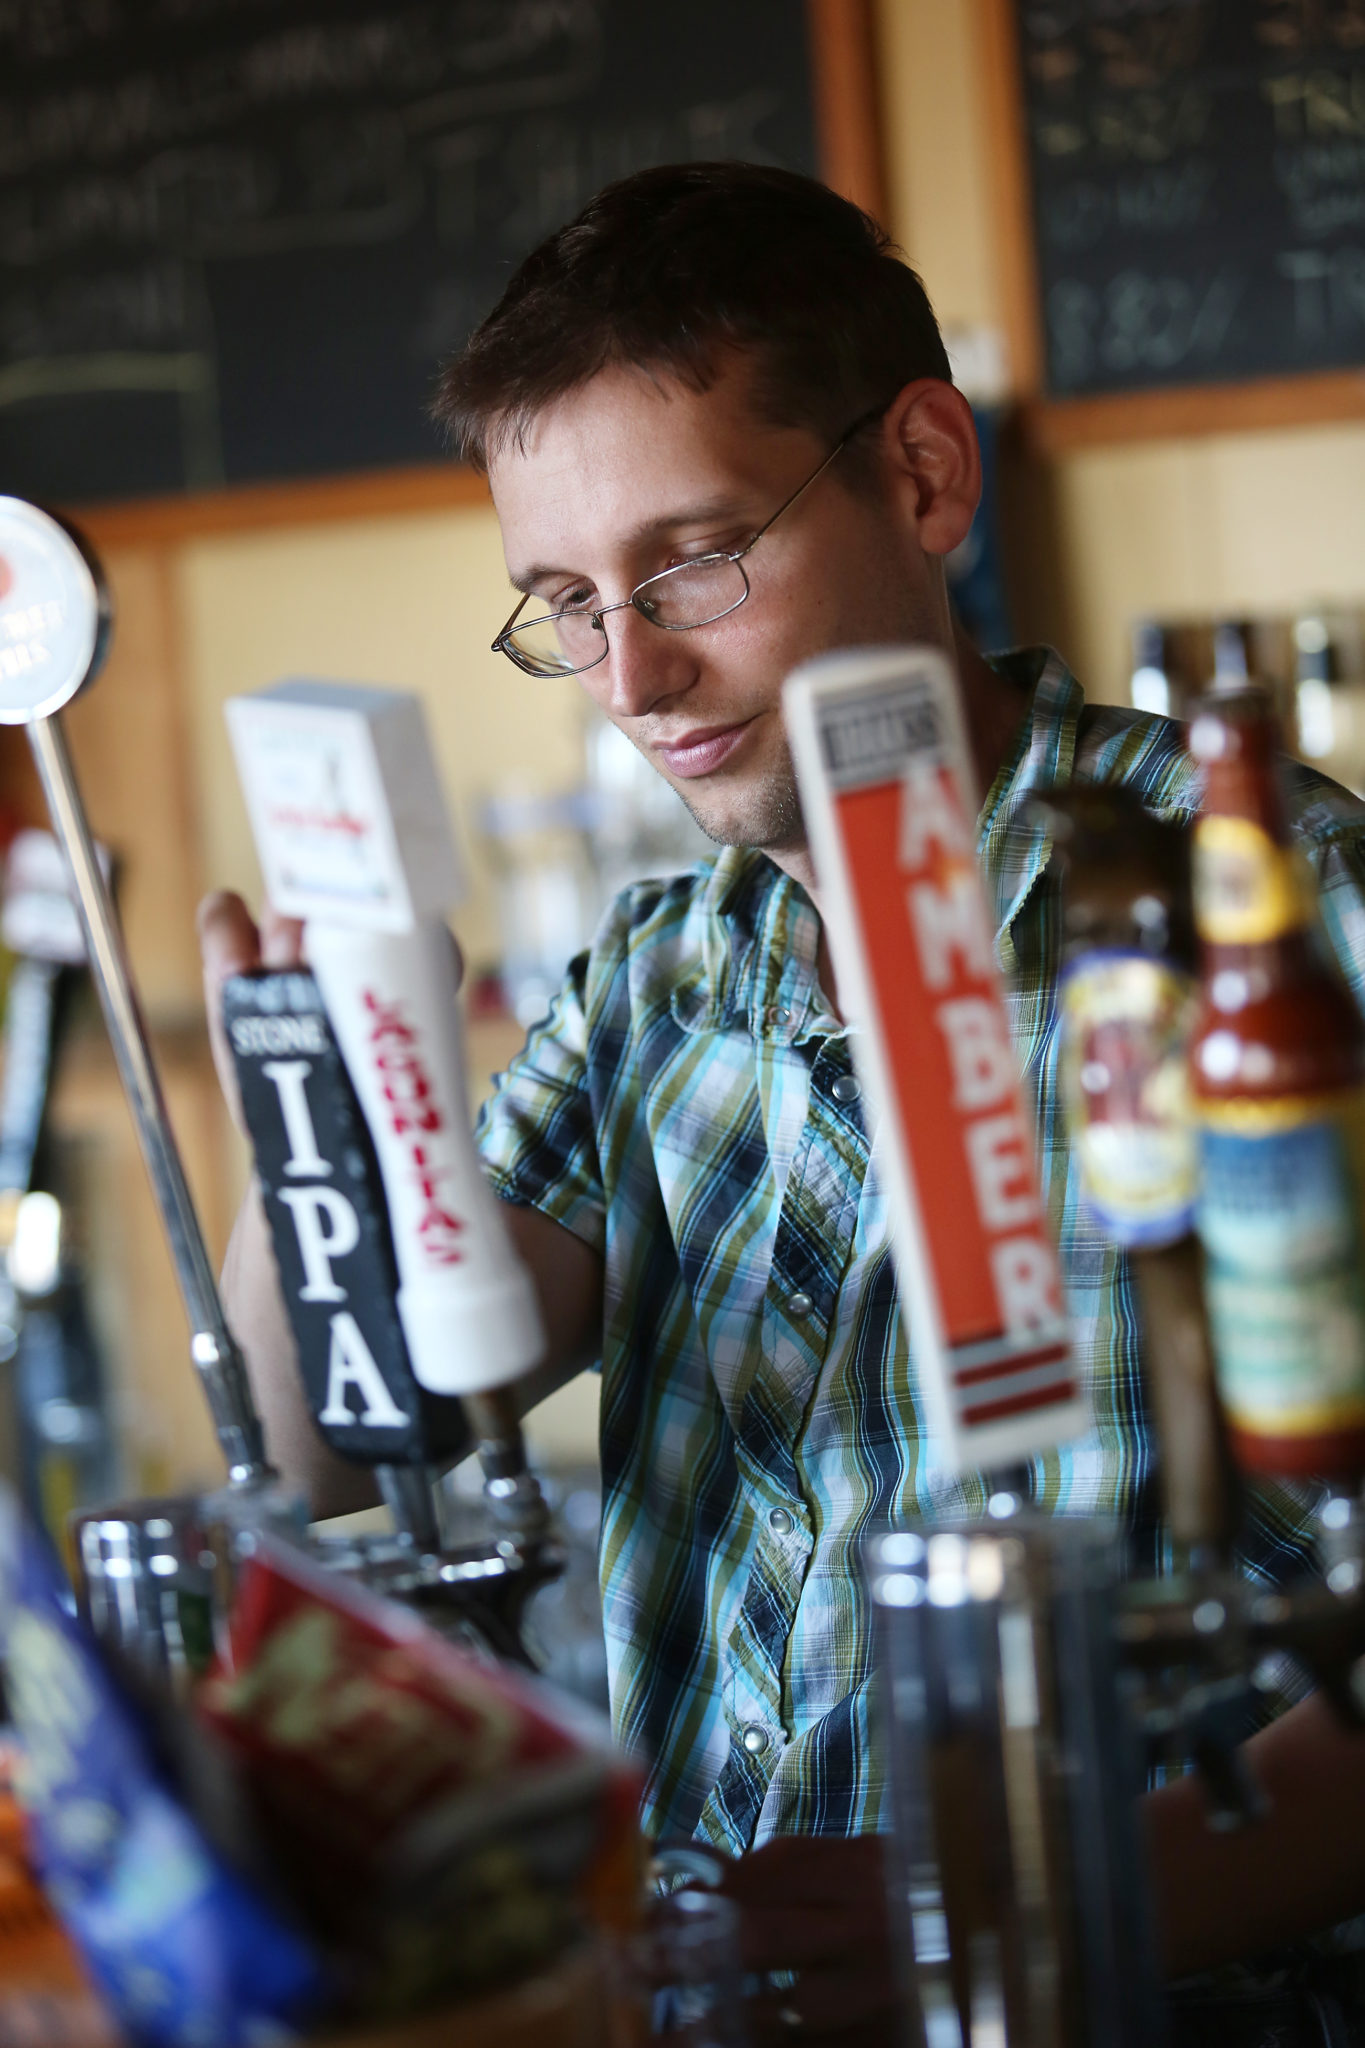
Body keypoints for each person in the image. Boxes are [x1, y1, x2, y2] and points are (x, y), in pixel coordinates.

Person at [200, 163, 1365, 2044]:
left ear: (920, 473)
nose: (635, 679)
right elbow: (334, 1443)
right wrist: (316, 1104)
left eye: (692, 561)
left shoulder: (1272, 926)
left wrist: (1035, 1909)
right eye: (566, 605)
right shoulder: (653, 978)